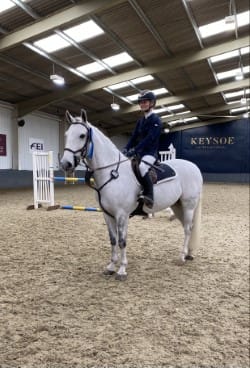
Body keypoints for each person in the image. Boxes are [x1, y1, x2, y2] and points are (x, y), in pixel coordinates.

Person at [123, 90, 162, 208]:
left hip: (150, 153)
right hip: (139, 153)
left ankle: (150, 195)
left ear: (152, 103)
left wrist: (135, 150)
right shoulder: (140, 121)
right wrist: (126, 148)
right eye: (141, 102)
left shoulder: (156, 120)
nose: (142, 104)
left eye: (145, 102)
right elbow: (134, 137)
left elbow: (149, 139)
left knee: (142, 167)